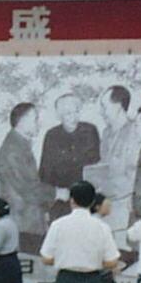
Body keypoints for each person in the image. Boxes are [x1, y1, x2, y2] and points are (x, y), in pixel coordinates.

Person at [0, 102, 60, 254]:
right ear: (22, 121)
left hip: (27, 222)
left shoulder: (19, 145)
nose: (38, 123)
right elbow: (28, 188)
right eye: (35, 118)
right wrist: (57, 193)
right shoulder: (13, 149)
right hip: (23, 224)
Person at [39, 93, 101, 221]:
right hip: (61, 200)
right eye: (68, 114)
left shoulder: (90, 131)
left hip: (86, 199)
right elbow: (45, 173)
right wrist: (45, 206)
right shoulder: (52, 136)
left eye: (76, 111)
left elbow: (97, 166)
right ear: (59, 116)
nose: (74, 117)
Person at [96, 85, 141, 240]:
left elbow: (133, 175)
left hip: (125, 208)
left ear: (118, 106)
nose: (102, 112)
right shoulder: (106, 133)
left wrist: (106, 187)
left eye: (104, 106)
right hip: (105, 208)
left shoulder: (135, 132)